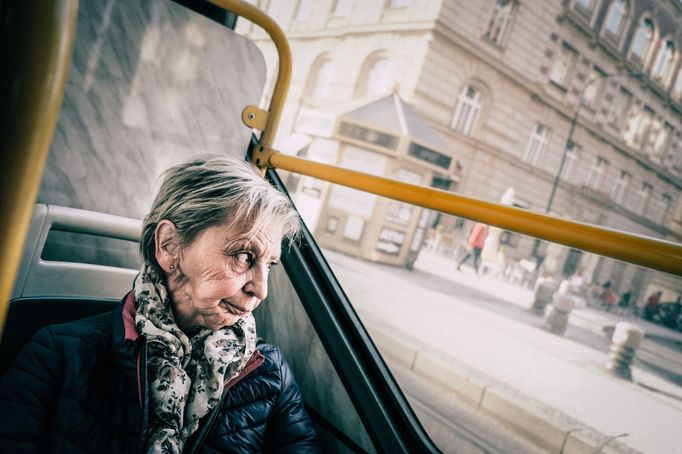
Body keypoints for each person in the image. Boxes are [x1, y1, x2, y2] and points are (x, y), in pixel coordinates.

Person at [0, 156, 318, 453]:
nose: (260, 290)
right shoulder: (56, 357)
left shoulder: (270, 373)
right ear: (169, 246)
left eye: (269, 265)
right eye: (243, 256)